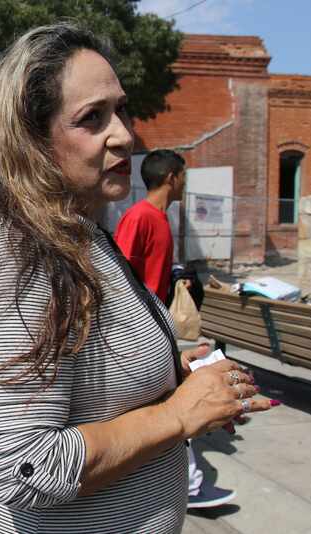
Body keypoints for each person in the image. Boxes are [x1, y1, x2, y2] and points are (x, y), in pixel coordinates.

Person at [0, 23, 276, 534]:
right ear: (32, 141)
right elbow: (20, 468)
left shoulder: (81, 232)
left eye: (121, 109)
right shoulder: (18, 254)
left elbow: (81, 368)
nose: (125, 134)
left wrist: (176, 371)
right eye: (92, 118)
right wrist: (177, 416)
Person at [115, 149, 237, 509]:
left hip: (153, 328)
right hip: (141, 332)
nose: (185, 183)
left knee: (167, 406)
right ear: (171, 177)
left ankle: (187, 484)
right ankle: (191, 486)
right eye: (183, 176)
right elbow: (120, 275)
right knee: (170, 406)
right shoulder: (142, 217)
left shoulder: (157, 217)